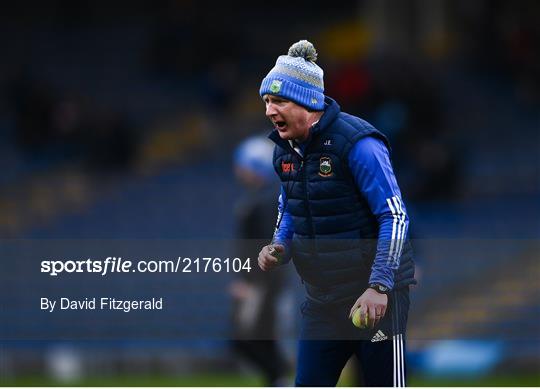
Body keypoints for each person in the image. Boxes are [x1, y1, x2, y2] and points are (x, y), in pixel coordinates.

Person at [257, 40, 416, 387]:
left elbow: (396, 217)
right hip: (322, 300)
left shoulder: (359, 144)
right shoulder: (283, 152)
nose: (270, 110)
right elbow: (290, 204)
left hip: (375, 300)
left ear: (308, 102)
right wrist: (279, 244)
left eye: (279, 101)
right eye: (267, 101)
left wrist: (379, 286)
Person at [230, 136, 290, 386]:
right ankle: (278, 377)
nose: (238, 171)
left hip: (263, 285)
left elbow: (270, 248)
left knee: (247, 339)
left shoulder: (264, 203)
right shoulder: (261, 200)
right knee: (253, 340)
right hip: (262, 284)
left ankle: (281, 377)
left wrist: (252, 282)